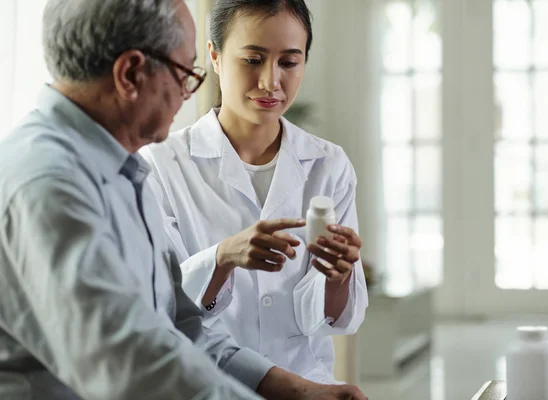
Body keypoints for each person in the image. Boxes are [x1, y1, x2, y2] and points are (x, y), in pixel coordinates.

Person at [0, 0, 367, 399]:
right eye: (184, 73)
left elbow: (182, 329)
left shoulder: (121, 173)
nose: (185, 93)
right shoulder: (49, 184)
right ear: (131, 73)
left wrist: (299, 391)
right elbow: (130, 366)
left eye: (289, 62)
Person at [141, 0, 368, 383]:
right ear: (214, 55)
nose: (271, 82)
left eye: (289, 63)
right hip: (207, 385)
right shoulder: (161, 164)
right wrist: (223, 257)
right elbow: (163, 307)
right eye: (252, 60)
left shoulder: (329, 164)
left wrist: (339, 277)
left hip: (307, 382)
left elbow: (334, 319)